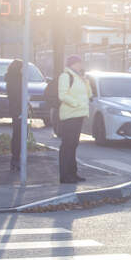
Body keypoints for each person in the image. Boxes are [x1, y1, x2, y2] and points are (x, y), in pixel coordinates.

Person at [58, 55, 91, 183]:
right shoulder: (66, 76)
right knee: (67, 145)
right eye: (80, 63)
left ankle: (73, 173)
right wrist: (76, 104)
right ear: (74, 64)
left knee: (73, 144)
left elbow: (89, 94)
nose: (81, 66)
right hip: (70, 115)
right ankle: (65, 175)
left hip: (79, 114)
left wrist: (86, 81)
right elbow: (62, 95)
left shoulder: (79, 77)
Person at [5, 59, 23, 171]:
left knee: (18, 134)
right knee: (18, 134)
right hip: (18, 109)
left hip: (16, 109)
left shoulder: (13, 78)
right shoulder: (16, 79)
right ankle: (15, 159)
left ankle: (15, 159)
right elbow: (16, 95)